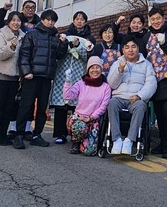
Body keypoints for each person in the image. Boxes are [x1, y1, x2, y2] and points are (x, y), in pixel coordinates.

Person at [13, 9, 69, 149]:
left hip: (46, 77)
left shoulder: (55, 37)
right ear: (42, 20)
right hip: (31, 77)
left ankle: (36, 135)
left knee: (42, 109)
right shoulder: (32, 34)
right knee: (25, 106)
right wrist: (26, 72)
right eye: (48, 19)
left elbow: (60, 55)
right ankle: (19, 135)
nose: (50, 22)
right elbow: (24, 54)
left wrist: (63, 44)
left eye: (53, 20)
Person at [140, 7, 167, 158]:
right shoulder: (147, 35)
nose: (156, 21)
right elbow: (143, 55)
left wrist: (163, 43)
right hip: (153, 80)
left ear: (163, 18)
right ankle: (162, 144)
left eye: (158, 18)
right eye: (153, 19)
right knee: (158, 113)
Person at [106, 34, 157, 155]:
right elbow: (111, 84)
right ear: (123, 50)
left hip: (135, 100)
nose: (130, 50)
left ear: (138, 48)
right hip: (119, 98)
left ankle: (129, 140)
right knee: (111, 103)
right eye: (127, 47)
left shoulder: (146, 64)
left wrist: (140, 96)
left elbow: (151, 83)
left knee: (141, 106)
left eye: (133, 47)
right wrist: (120, 71)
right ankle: (116, 140)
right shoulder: (117, 63)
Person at [50, 11, 95, 144]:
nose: (79, 21)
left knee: (78, 105)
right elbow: (58, 53)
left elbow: (89, 57)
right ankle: (60, 134)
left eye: (82, 19)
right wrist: (68, 45)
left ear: (85, 22)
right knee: (61, 104)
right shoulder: (64, 34)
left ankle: (77, 133)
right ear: (73, 20)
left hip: (79, 74)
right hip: (62, 73)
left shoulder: (89, 38)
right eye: (77, 19)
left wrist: (78, 47)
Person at [63, 56, 111, 155]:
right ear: (88, 70)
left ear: (101, 69)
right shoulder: (81, 84)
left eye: (97, 67)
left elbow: (103, 106)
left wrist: (90, 117)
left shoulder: (106, 87)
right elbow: (67, 96)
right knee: (80, 127)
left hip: (94, 120)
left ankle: (84, 142)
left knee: (89, 152)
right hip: (79, 118)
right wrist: (68, 81)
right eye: (92, 67)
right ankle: (76, 142)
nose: (95, 70)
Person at [0, 11, 24, 146]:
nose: (16, 23)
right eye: (13, 20)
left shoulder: (23, 36)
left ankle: (3, 134)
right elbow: (0, 55)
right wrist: (12, 46)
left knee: (9, 107)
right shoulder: (1, 35)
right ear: (8, 22)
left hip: (15, 77)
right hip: (1, 76)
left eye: (18, 20)